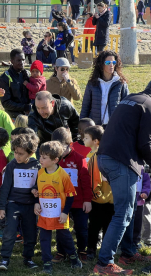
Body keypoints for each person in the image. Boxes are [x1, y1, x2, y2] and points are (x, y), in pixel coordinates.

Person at [91, 82, 151, 276]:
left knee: (129, 209)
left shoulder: (131, 98)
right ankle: (104, 262)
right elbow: (145, 143)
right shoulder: (148, 105)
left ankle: (128, 252)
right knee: (124, 212)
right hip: (121, 162)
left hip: (106, 157)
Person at [34, 141, 82, 274]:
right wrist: (36, 202)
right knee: (44, 238)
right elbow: (37, 190)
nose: (40, 159)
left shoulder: (63, 175)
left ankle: (73, 258)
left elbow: (71, 195)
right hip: (44, 214)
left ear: (55, 160)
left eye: (44, 157)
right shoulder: (40, 173)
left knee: (65, 237)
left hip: (60, 214)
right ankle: (47, 263)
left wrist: (65, 212)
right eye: (40, 156)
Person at [0, 133, 40, 271]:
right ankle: (4, 259)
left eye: (21, 154)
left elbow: (41, 185)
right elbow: (5, 188)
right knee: (9, 232)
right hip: (13, 203)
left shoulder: (38, 166)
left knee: (31, 233)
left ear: (31, 152)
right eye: (15, 153)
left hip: (30, 205)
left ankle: (28, 258)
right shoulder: (11, 166)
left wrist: (36, 191)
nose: (17, 156)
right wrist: (2, 207)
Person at [51, 127, 91, 264]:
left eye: (59, 148)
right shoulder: (54, 160)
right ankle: (61, 252)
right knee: (61, 228)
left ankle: (82, 251)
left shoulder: (80, 159)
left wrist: (87, 200)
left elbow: (86, 182)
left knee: (81, 228)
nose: (56, 151)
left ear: (69, 144)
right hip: (61, 203)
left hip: (79, 202)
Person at [83, 125, 114, 262]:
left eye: (86, 137)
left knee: (107, 226)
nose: (83, 140)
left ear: (95, 141)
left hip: (107, 199)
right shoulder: (90, 156)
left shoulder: (101, 156)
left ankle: (105, 252)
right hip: (99, 199)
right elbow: (91, 179)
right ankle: (91, 249)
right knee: (94, 226)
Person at [80, 51, 129, 127]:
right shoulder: (92, 83)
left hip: (114, 126)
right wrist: (82, 127)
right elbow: (85, 107)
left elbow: (126, 107)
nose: (111, 65)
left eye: (113, 62)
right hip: (95, 127)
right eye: (108, 63)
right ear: (101, 64)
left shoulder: (121, 83)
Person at [0, 49, 31, 120]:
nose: (21, 62)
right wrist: (24, 107)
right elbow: (6, 103)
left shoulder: (28, 74)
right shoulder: (4, 77)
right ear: (12, 61)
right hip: (13, 117)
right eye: (19, 60)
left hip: (29, 116)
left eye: (23, 60)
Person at [133, 167, 150, 249]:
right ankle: (122, 244)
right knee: (125, 224)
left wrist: (145, 192)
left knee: (137, 224)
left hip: (139, 202)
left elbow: (147, 183)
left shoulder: (143, 169)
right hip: (126, 202)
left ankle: (135, 242)